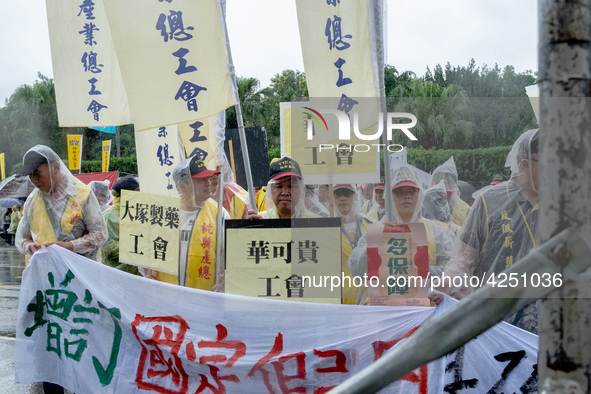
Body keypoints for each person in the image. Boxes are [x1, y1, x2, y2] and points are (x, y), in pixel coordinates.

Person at [14, 145, 107, 394]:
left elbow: (100, 235)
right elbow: (19, 238)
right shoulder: (33, 200)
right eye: (30, 175)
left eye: (38, 173)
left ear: (55, 168)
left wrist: (69, 245)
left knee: (78, 344)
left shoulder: (82, 194)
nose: (34, 180)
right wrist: (29, 245)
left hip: (78, 290)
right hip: (45, 290)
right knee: (50, 345)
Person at [431, 129, 540, 334]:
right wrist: (450, 279)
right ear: (525, 165)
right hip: (494, 325)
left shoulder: (564, 205)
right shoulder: (489, 202)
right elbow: (463, 257)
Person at [349, 165, 453, 305]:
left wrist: (420, 272)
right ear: (389, 197)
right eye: (399, 192)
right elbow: (356, 270)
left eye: (412, 191)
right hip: (385, 315)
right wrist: (375, 243)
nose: (406, 196)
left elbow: (450, 269)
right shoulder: (377, 230)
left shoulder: (435, 232)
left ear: (420, 195)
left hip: (424, 317)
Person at [154, 155, 229, 290]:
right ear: (183, 186)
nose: (208, 183)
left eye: (208, 178)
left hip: (203, 299)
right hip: (167, 298)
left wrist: (223, 282)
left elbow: (229, 256)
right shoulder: (164, 213)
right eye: (201, 180)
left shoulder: (219, 214)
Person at [333, 184, 375, 304]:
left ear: (354, 196)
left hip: (368, 300)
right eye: (338, 194)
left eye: (347, 194)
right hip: (339, 300)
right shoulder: (326, 228)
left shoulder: (370, 224)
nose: (343, 198)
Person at [255, 157, 321, 219]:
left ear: (302, 190)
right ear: (270, 191)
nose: (285, 193)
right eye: (279, 186)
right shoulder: (260, 219)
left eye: (291, 186)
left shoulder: (315, 222)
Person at [100, 176, 141, 275]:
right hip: (117, 275)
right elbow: (110, 248)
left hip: (135, 275)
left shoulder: (135, 214)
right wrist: (139, 248)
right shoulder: (110, 216)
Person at [429, 156, 470, 227]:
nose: (443, 199)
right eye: (438, 195)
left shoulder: (464, 210)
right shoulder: (422, 205)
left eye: (446, 195)